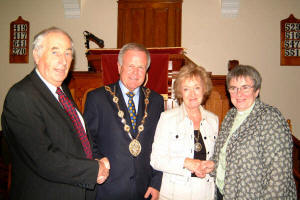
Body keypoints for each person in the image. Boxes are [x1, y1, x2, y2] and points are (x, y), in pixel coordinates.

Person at [1, 27, 110, 200]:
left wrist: (96, 160)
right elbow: (43, 159)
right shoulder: (22, 96)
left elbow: (76, 139)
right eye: (55, 52)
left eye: (68, 53)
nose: (63, 61)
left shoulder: (61, 90)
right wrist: (93, 169)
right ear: (37, 56)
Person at [84, 43, 164, 200]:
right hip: (108, 188)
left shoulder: (156, 101)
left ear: (146, 71)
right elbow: (87, 140)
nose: (135, 72)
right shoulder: (97, 98)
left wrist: (156, 182)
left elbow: (161, 144)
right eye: (130, 66)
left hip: (145, 189)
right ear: (119, 67)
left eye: (141, 67)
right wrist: (99, 163)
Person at [212, 65, 297, 199]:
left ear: (256, 90)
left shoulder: (270, 118)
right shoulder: (230, 116)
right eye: (233, 88)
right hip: (225, 192)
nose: (238, 93)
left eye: (245, 87)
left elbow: (279, 174)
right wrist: (209, 166)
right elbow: (222, 155)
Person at [150, 63, 218, 200]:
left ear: (204, 90)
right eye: (186, 89)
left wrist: (213, 165)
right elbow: (156, 160)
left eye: (197, 88)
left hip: (206, 194)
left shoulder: (213, 120)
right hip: (175, 195)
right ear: (180, 92)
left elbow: (218, 157)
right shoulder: (167, 119)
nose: (192, 94)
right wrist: (186, 162)